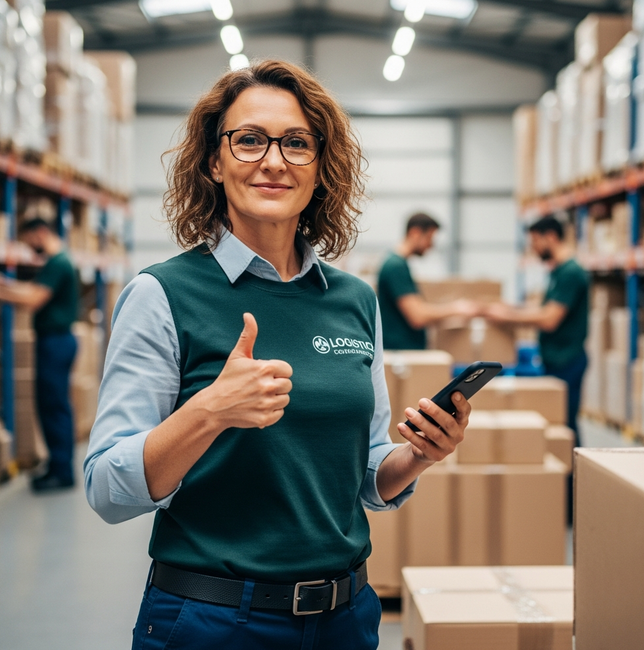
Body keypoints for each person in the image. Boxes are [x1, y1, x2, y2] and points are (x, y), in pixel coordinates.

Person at [84, 60, 472, 650]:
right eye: (249, 141)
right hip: (212, 620)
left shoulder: (353, 301)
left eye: (296, 143)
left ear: (321, 168)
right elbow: (107, 490)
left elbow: (369, 473)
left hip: (345, 618)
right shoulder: (162, 294)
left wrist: (419, 454)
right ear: (214, 162)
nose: (273, 160)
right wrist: (210, 411)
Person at [0, 217, 79, 490]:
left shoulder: (58, 262)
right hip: (58, 341)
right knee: (53, 404)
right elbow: (32, 289)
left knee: (53, 406)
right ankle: (58, 466)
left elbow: (33, 299)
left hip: (56, 342)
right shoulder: (58, 261)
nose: (28, 248)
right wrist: (4, 285)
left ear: (39, 233)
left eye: (28, 241)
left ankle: (61, 471)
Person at [484, 216, 589, 447]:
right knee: (559, 422)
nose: (533, 248)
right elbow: (544, 309)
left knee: (565, 424)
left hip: (567, 359)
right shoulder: (558, 271)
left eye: (535, 241)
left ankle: (573, 479)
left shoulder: (571, 273)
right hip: (555, 358)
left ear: (550, 237)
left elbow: (550, 319)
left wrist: (508, 317)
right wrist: (510, 308)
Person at [377, 212, 478, 350]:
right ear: (415, 233)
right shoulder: (395, 267)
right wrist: (456, 308)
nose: (431, 245)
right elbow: (417, 316)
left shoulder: (400, 264)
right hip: (401, 354)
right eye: (430, 238)